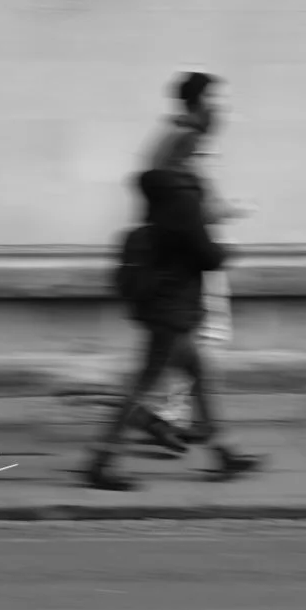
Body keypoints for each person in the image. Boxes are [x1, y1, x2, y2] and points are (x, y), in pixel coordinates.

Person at [84, 123, 264, 491]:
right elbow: (203, 251)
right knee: (144, 383)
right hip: (172, 306)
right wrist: (225, 250)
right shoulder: (183, 196)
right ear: (187, 156)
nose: (207, 162)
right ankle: (101, 461)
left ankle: (224, 452)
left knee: (197, 376)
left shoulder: (162, 191)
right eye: (203, 155)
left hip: (166, 302)